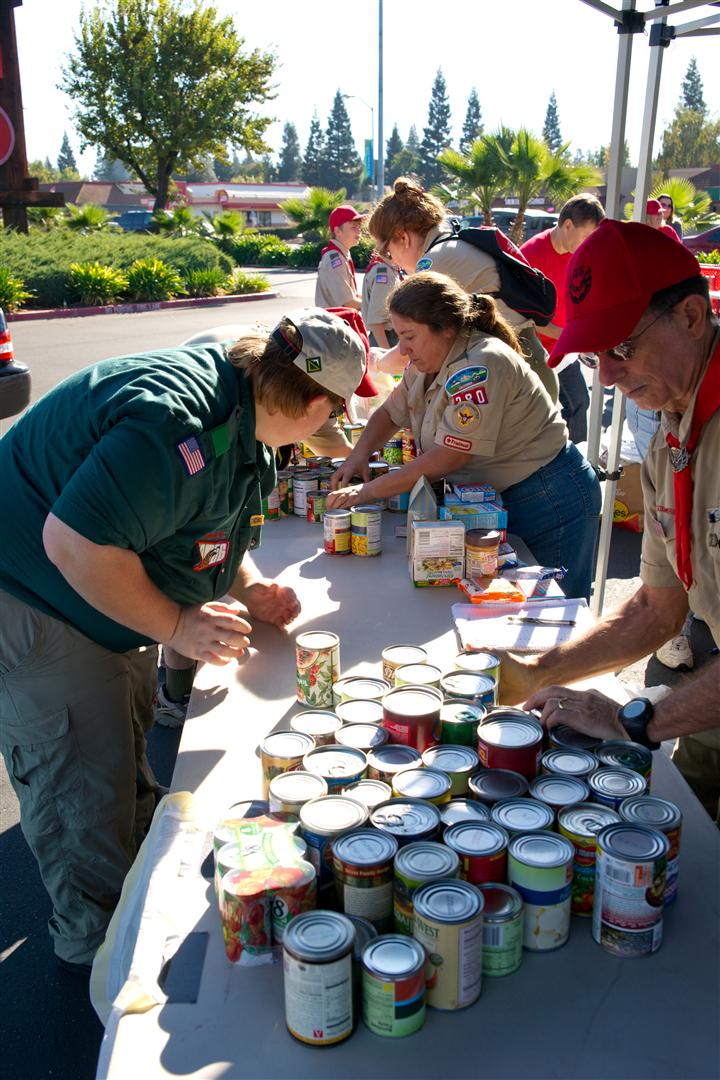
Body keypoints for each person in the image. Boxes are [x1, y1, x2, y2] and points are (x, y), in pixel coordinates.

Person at [0, 308, 367, 973]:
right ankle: (99, 954)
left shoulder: (247, 405)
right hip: (37, 595)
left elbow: (207, 520)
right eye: (333, 414)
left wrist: (247, 587)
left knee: (121, 746)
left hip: (94, 593)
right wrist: (174, 626)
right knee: (82, 785)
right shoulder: (179, 423)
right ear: (316, 403)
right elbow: (73, 545)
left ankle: (132, 898)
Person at [497, 220, 720, 822]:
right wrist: (534, 674)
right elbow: (656, 608)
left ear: (691, 317)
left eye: (621, 348)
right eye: (595, 355)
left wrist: (631, 720)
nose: (607, 376)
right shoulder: (670, 433)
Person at [327, 271, 601, 601]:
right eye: (399, 336)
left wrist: (368, 490)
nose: (403, 349)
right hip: (500, 498)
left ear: (446, 327)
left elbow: (450, 455)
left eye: (409, 336)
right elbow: (390, 412)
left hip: (549, 498)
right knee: (504, 608)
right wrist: (358, 455)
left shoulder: (481, 364)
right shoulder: (428, 361)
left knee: (554, 609)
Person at [366, 177, 560, 402]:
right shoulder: (454, 245)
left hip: (514, 379)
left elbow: (412, 349)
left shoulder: (433, 263)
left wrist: (377, 362)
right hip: (525, 368)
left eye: (388, 252)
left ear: (403, 237)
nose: (393, 261)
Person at [521, 193, 606, 444]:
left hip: (564, 349)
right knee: (539, 416)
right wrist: (570, 337)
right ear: (567, 225)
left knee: (579, 403)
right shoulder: (530, 256)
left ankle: (573, 460)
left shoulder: (580, 254)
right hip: (533, 351)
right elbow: (525, 317)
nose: (589, 244)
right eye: (586, 237)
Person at [314, 204, 363, 310]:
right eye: (354, 227)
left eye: (359, 227)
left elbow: (351, 296)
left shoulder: (341, 254)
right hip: (335, 319)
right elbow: (348, 302)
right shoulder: (335, 259)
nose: (359, 230)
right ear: (337, 231)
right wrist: (377, 309)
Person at [361, 251, 402, 348]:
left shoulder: (388, 268)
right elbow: (376, 321)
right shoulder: (385, 272)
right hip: (386, 338)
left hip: (385, 337)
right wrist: (386, 352)